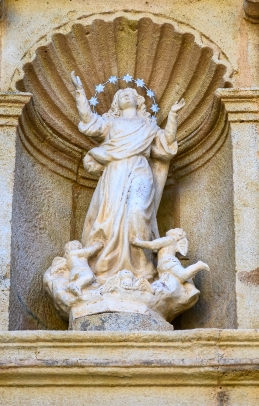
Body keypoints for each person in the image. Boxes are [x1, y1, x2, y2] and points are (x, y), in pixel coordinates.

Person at [71, 71, 185, 282]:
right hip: (115, 172)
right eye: (121, 94)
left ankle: (141, 269)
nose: (125, 95)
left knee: (138, 212)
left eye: (130, 94)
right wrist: (79, 93)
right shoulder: (110, 124)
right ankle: (105, 269)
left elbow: (166, 146)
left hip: (140, 170)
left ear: (138, 101)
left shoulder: (149, 126)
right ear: (115, 103)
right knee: (109, 218)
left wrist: (173, 118)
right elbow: (89, 122)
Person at [131, 228, 209, 283]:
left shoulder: (169, 239)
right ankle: (190, 278)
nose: (172, 229)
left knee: (183, 275)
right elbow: (157, 249)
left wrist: (137, 242)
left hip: (169, 263)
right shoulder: (172, 242)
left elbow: (152, 245)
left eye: (175, 229)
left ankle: (198, 265)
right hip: (164, 267)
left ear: (178, 234)